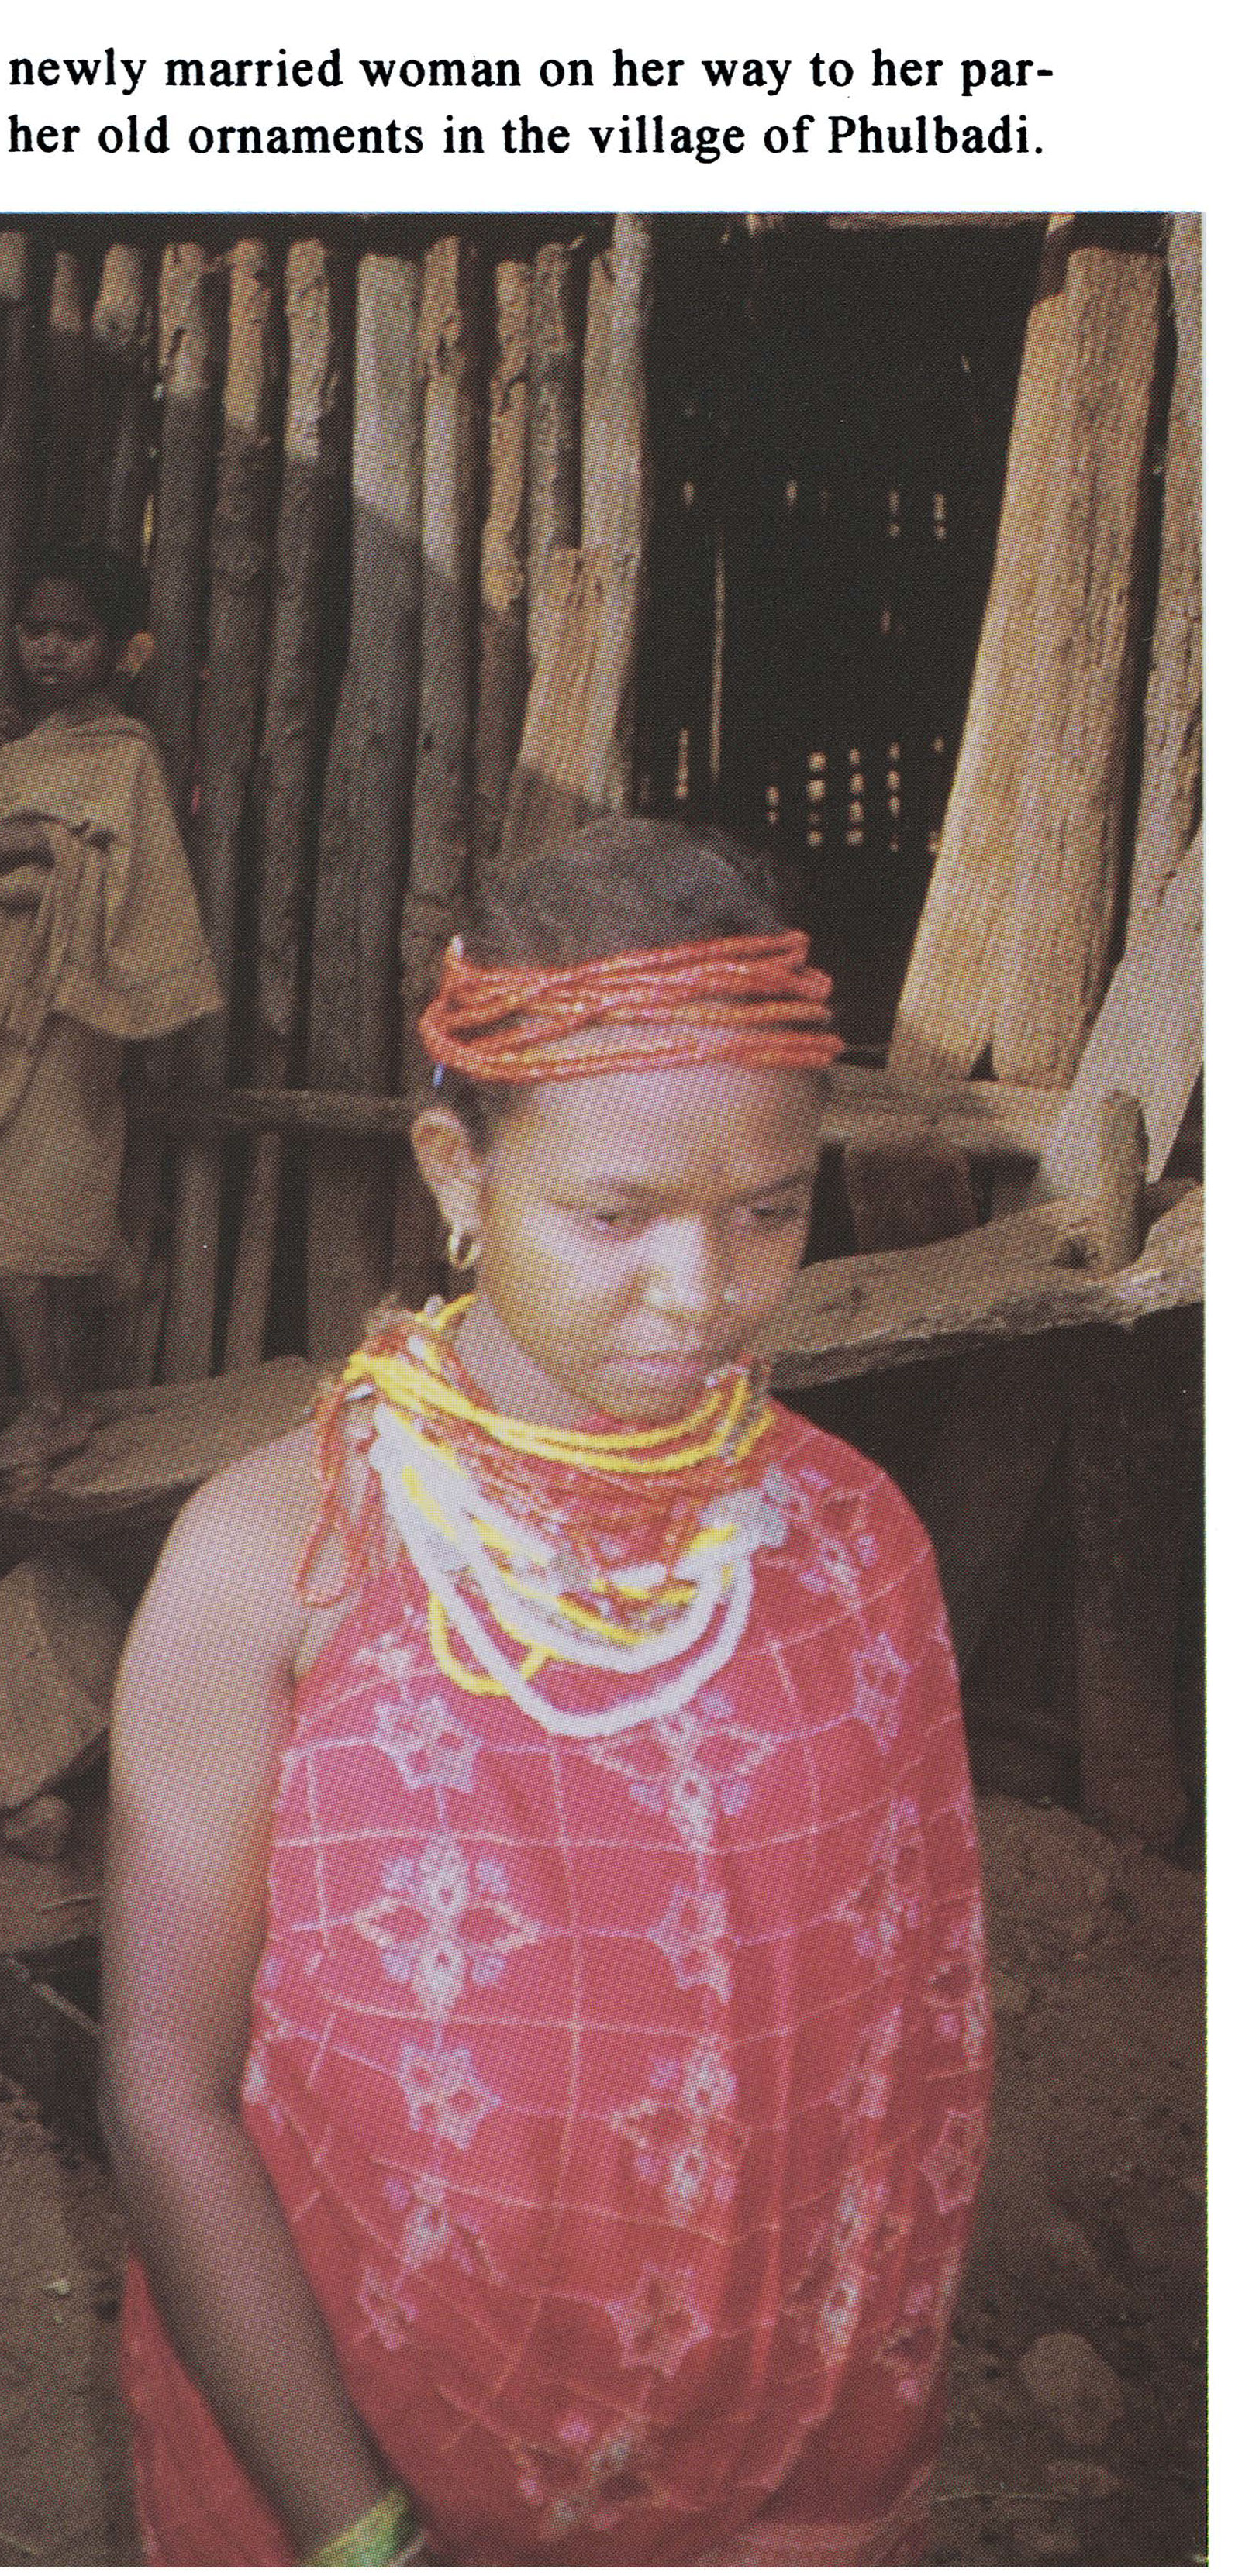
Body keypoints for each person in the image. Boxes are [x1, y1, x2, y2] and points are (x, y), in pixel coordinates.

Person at [100, 817, 992, 2567]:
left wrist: (830, 2498)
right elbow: (165, 2091)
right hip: (358, 2464)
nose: (700, 1287)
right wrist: (357, 2530)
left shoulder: (846, 1542)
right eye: (612, 1212)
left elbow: (905, 2069)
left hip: (775, 2488)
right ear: (453, 1165)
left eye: (768, 1208)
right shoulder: (279, 1559)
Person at [0, 544, 222, 1464]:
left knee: (20, 1196)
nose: (49, 649)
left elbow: (131, 872)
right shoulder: (17, 750)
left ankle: (53, 1403)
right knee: (11, 1190)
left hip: (66, 1008)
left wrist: (26, 838)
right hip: (1, 989)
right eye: (35, 630)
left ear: (120, 647)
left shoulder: (125, 754)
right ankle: (53, 1396)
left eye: (73, 631)